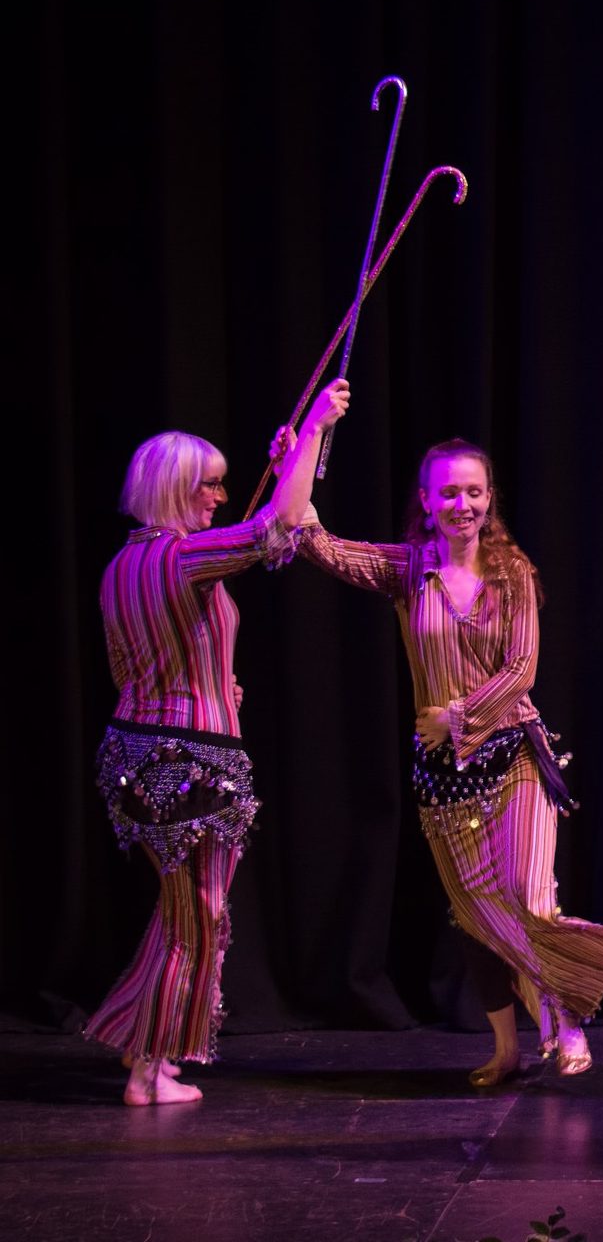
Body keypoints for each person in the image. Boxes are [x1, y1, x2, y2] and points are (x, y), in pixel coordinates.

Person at [295, 438, 603, 1086]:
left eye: (475, 491)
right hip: (444, 782)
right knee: (479, 917)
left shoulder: (513, 572)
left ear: (490, 497)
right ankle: (507, 1049)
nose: (463, 504)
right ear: (426, 500)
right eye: (449, 492)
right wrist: (306, 447)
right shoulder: (407, 570)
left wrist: (458, 717)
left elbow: (522, 669)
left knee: (532, 899)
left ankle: (567, 1013)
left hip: (514, 755)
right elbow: (315, 541)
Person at [87, 380, 351, 1105]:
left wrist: (294, 459)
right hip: (191, 759)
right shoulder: (181, 558)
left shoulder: (122, 566)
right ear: (175, 489)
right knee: (198, 918)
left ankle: (142, 1043)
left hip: (134, 752)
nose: (218, 497)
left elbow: (140, 661)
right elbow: (279, 528)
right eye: (209, 486)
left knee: (183, 912)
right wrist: (317, 432)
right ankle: (148, 1067)